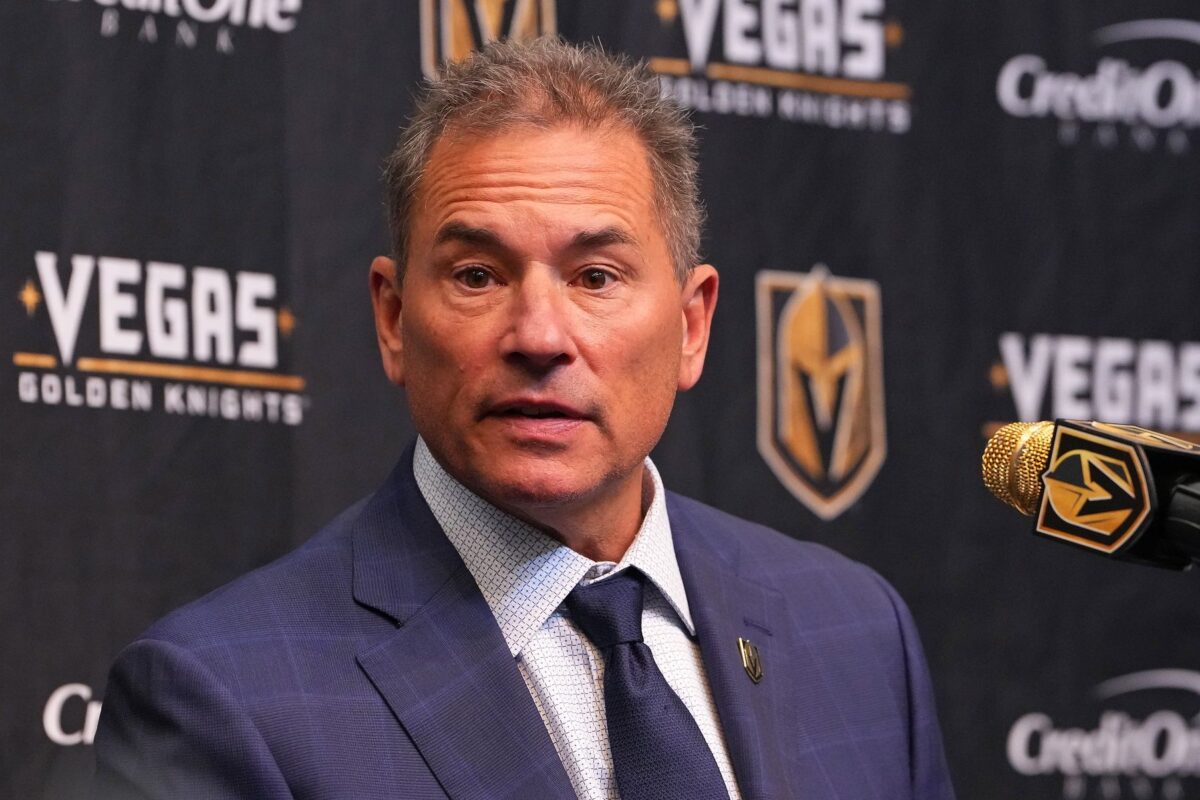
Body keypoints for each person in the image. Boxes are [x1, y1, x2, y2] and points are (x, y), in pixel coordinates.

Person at [93, 38, 955, 800]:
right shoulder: (221, 701)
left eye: (596, 277)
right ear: (393, 318)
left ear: (692, 327)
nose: (540, 336)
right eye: (477, 276)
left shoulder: (858, 631)